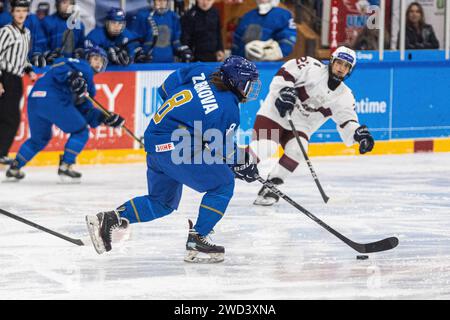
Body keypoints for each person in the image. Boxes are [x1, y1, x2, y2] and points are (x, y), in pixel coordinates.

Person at [85, 56, 261, 263]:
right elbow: (224, 150)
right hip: (177, 145)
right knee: (223, 184)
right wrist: (243, 164)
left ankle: (108, 219)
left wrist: (188, 122)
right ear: (237, 82)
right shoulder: (228, 108)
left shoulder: (202, 69)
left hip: (155, 139)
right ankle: (198, 240)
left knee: (162, 202)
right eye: (249, 83)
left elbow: (165, 89)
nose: (251, 89)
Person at [251, 46, 375, 206]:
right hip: (275, 113)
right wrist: (284, 91)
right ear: (331, 61)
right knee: (265, 148)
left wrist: (359, 135)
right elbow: (286, 72)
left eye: (346, 66)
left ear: (350, 70)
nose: (341, 68)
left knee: (297, 150)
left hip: (301, 125)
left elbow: (347, 121)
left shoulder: (345, 96)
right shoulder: (311, 67)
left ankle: (270, 187)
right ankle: (228, 167)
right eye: (339, 63)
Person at [5, 45, 125, 181]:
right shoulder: (82, 66)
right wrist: (71, 76)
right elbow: (59, 63)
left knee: (39, 139)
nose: (97, 62)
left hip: (35, 101)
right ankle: (66, 165)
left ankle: (15, 167)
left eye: (101, 61)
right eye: (95, 58)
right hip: (53, 99)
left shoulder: (89, 86)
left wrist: (105, 117)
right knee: (81, 131)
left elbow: (85, 110)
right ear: (87, 58)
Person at [0, 0, 37, 165]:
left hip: (16, 80)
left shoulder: (27, 33)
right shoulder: (6, 32)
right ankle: (1, 153)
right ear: (12, 13)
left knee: (9, 117)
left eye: (23, 10)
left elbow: (23, 58)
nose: (21, 14)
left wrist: (29, 71)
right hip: (5, 78)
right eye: (17, 11)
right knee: (10, 118)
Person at [232, 0, 296, 61]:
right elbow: (236, 42)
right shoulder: (247, 16)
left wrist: (270, 53)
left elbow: (288, 40)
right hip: (246, 64)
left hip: (271, 67)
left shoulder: (284, 15)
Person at [41, 0, 86, 65]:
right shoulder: (47, 22)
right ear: (57, 4)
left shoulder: (79, 25)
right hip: (51, 65)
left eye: (70, 3)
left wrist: (80, 52)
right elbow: (39, 45)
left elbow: (81, 45)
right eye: (64, 2)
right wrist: (48, 54)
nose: (68, 6)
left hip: (72, 65)